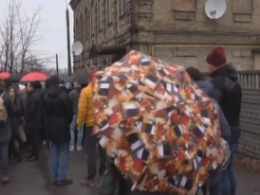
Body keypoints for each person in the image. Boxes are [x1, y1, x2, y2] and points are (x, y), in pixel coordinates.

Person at [186, 67, 231, 195]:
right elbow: (226, 130)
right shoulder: (212, 102)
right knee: (215, 186)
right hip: (212, 154)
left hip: (193, 157)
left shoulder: (185, 103)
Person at [206, 47, 242, 195]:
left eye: (208, 63)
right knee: (230, 168)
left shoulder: (218, 83)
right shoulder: (235, 80)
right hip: (235, 129)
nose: (207, 66)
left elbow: (211, 108)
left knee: (222, 173)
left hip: (222, 133)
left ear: (214, 64)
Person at [77, 70, 106, 187]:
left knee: (91, 152)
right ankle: (104, 173)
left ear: (89, 79)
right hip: (102, 124)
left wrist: (79, 124)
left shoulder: (86, 91)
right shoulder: (103, 91)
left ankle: (91, 178)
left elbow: (82, 110)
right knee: (103, 151)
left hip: (90, 125)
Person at [43, 75, 73, 186]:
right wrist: (66, 122)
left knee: (54, 153)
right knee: (64, 153)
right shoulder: (64, 96)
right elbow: (70, 113)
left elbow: (45, 112)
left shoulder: (46, 96)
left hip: (50, 126)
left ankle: (55, 177)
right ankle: (61, 177)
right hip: (63, 126)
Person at [0, 79, 14, 183]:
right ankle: (4, 174)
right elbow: (12, 111)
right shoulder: (6, 97)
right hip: (4, 126)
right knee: (4, 151)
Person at [25, 81, 42, 161]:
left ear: (32, 87)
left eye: (28, 86)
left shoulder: (34, 96)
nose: (27, 87)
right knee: (33, 139)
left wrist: (26, 117)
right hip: (35, 121)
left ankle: (35, 155)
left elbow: (31, 110)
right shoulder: (34, 95)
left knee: (34, 139)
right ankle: (33, 153)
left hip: (34, 121)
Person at [8, 86, 24, 163]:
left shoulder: (17, 100)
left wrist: (11, 108)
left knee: (15, 139)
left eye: (12, 91)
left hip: (16, 122)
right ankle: (13, 154)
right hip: (11, 122)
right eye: (10, 91)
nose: (11, 93)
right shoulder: (9, 100)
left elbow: (18, 109)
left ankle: (18, 156)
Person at [69, 78, 83, 151]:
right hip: (82, 113)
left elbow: (69, 103)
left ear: (75, 84)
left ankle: (71, 145)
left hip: (74, 113)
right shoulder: (84, 92)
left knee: (72, 129)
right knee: (80, 130)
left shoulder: (72, 93)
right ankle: (79, 145)